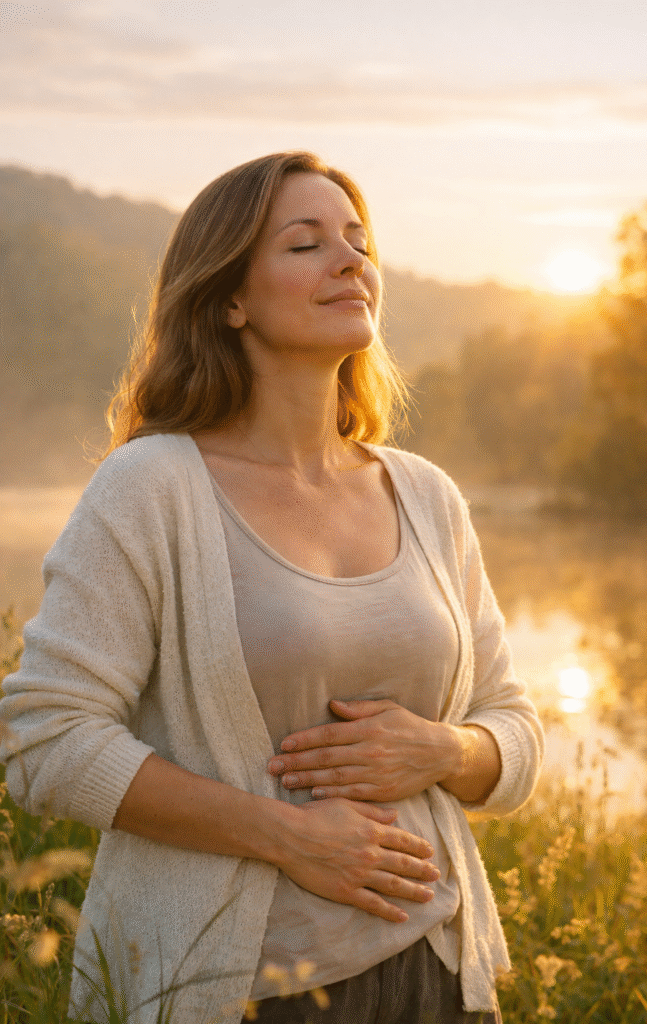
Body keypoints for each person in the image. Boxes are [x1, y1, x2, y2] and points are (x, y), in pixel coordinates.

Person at [0, 151, 544, 1024]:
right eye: (306, 243)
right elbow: (42, 742)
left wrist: (445, 751)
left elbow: (513, 729)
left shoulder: (426, 494)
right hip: (232, 989)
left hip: (436, 972)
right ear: (228, 299)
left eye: (358, 241)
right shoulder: (151, 488)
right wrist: (287, 835)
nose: (350, 261)